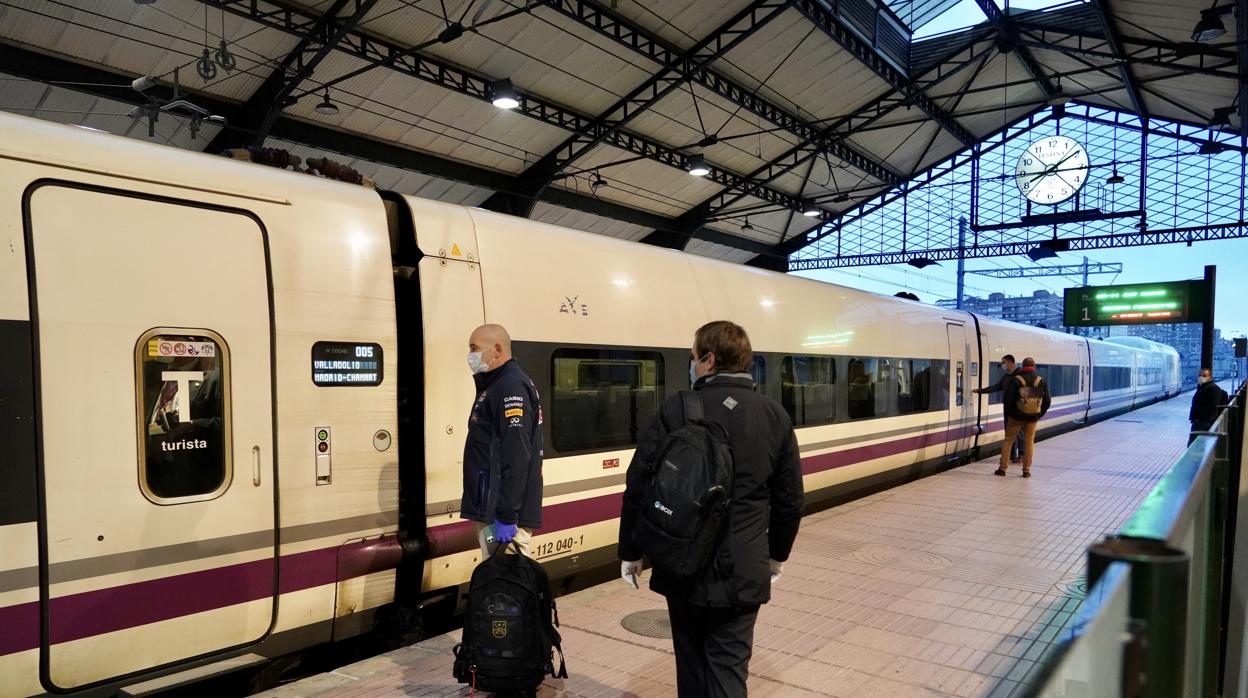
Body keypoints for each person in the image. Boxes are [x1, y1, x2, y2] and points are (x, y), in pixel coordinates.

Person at [619, 321, 804, 698]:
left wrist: (631, 551)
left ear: (709, 359)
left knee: (689, 664)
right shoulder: (774, 415)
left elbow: (639, 483)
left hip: (681, 563)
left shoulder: (679, 408)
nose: (691, 365)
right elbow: (789, 501)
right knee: (729, 670)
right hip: (743, 569)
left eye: (692, 357)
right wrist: (775, 557)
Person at [460, 324, 543, 558]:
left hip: (502, 514)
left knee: (507, 584)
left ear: (497, 349)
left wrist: (506, 516)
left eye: (474, 349)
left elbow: (517, 454)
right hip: (491, 508)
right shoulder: (495, 385)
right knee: (496, 575)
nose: (471, 356)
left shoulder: (510, 387)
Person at [998, 357, 1051, 478]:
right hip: (1032, 418)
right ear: (1034, 366)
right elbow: (1047, 401)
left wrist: (1012, 414)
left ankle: (1002, 469)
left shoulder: (1016, 380)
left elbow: (1008, 400)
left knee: (1008, 440)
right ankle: (1026, 470)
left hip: (1015, 417)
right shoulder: (1040, 381)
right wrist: (1039, 414)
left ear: (1022, 366)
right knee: (1029, 442)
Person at [972, 354, 1024, 463]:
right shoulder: (1006, 377)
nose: (1002, 365)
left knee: (1019, 433)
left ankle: (1022, 455)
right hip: (1007, 410)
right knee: (1009, 434)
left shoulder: (1021, 376)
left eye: (1003, 362)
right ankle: (1012, 456)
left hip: (1019, 410)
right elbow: (995, 387)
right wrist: (979, 391)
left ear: (1010, 362)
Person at [1189, 368, 1228, 444]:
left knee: (1195, 446)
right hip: (1200, 422)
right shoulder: (1202, 387)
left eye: (1204, 375)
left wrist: (1198, 418)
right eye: (1200, 375)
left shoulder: (1213, 388)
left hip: (1204, 424)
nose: (1201, 377)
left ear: (1210, 378)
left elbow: (1212, 406)